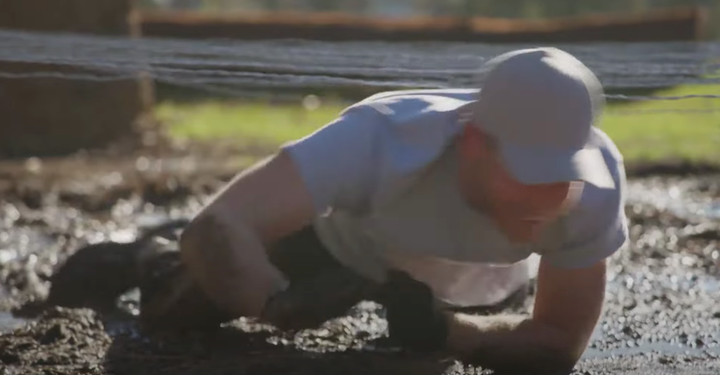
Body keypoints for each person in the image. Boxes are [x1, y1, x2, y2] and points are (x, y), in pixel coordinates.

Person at [137, 47, 629, 374]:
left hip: (476, 290)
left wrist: (446, 331)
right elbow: (218, 226)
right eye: (528, 169)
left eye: (560, 171)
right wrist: (274, 302)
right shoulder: (382, 137)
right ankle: (146, 253)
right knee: (175, 312)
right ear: (475, 142)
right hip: (339, 251)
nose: (547, 197)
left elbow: (558, 342)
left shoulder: (595, 182)